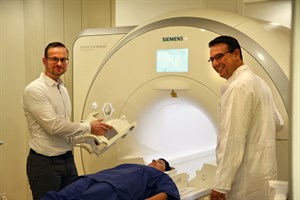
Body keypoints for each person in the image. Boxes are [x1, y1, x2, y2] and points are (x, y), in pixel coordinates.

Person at [22, 42, 112, 200]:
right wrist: (89, 127)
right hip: (45, 164)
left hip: (68, 160)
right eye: (54, 59)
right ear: (44, 61)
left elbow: (66, 131)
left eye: (63, 60)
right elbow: (54, 127)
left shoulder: (62, 89)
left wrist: (92, 138)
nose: (59, 63)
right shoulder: (35, 89)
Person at [207, 36, 284, 200]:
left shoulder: (238, 87)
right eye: (212, 59)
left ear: (236, 54)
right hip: (264, 175)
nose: (215, 64)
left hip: (245, 181)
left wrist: (221, 185)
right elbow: (278, 123)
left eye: (220, 56)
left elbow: (232, 139)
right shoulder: (259, 83)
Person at [42, 158, 180, 200]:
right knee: (57, 197)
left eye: (160, 163)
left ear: (166, 170)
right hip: (93, 178)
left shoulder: (162, 177)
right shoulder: (132, 164)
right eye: (155, 159)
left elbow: (167, 194)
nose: (155, 161)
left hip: (115, 187)